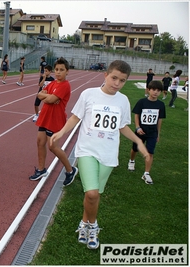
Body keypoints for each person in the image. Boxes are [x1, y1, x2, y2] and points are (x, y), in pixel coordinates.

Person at [50, 60, 150, 250]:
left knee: (93, 195)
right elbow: (75, 117)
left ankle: (84, 223)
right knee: (92, 192)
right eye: (114, 78)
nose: (117, 83)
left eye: (122, 80)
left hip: (108, 154)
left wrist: (137, 141)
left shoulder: (123, 100)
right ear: (105, 75)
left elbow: (122, 126)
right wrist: (61, 132)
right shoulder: (89, 94)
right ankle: (93, 226)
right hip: (87, 150)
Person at [29, 58, 77, 185]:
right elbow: (40, 95)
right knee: (40, 142)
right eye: (56, 70)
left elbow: (50, 99)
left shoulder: (65, 85)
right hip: (45, 116)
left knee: (53, 147)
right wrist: (47, 97)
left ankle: (70, 170)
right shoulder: (52, 83)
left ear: (67, 71)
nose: (58, 72)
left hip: (55, 119)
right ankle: (41, 169)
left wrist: (48, 98)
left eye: (61, 70)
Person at [128, 80, 166, 185]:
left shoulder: (161, 105)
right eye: (153, 90)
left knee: (150, 152)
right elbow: (137, 115)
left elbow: (159, 120)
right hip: (140, 131)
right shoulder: (142, 102)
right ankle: (131, 160)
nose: (156, 92)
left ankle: (146, 173)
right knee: (135, 148)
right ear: (148, 90)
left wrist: (158, 133)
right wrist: (137, 127)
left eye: (158, 90)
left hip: (152, 132)